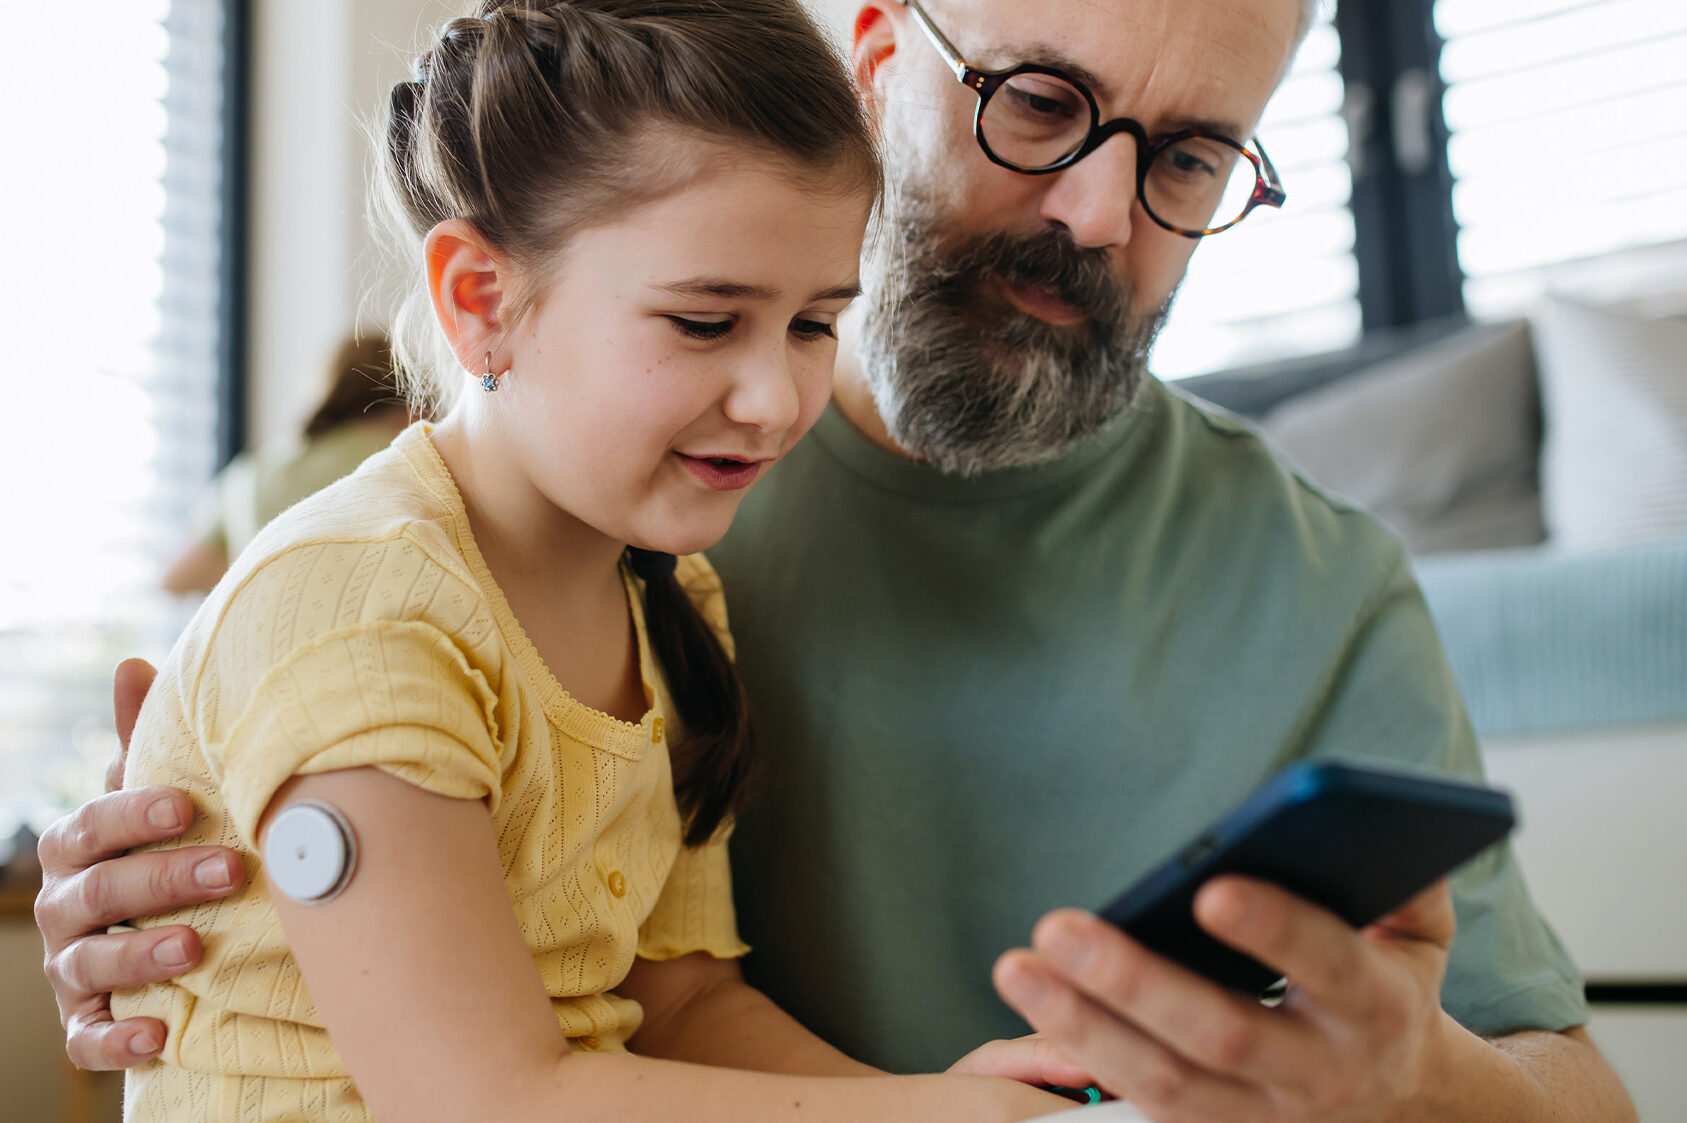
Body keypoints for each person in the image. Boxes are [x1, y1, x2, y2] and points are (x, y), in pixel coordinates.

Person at [35, 0, 1640, 1119]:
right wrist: (152, 875)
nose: (1093, 211)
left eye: (1189, 157)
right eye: (1039, 101)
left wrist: (1408, 1087)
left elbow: (665, 988)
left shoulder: (670, 572)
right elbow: (245, 876)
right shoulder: (535, 516)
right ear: (882, 67)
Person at [61, 2, 1091, 1120]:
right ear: (479, 298)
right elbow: (483, 1099)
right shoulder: (364, 611)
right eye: (704, 322)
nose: (774, 400)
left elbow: (686, 1002)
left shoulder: (667, 600)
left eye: (810, 324)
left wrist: (933, 1097)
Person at [160, 333, 415, 595]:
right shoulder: (403, 458)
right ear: (410, 397)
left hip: (262, 628)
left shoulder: (254, 468)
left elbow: (177, 579)